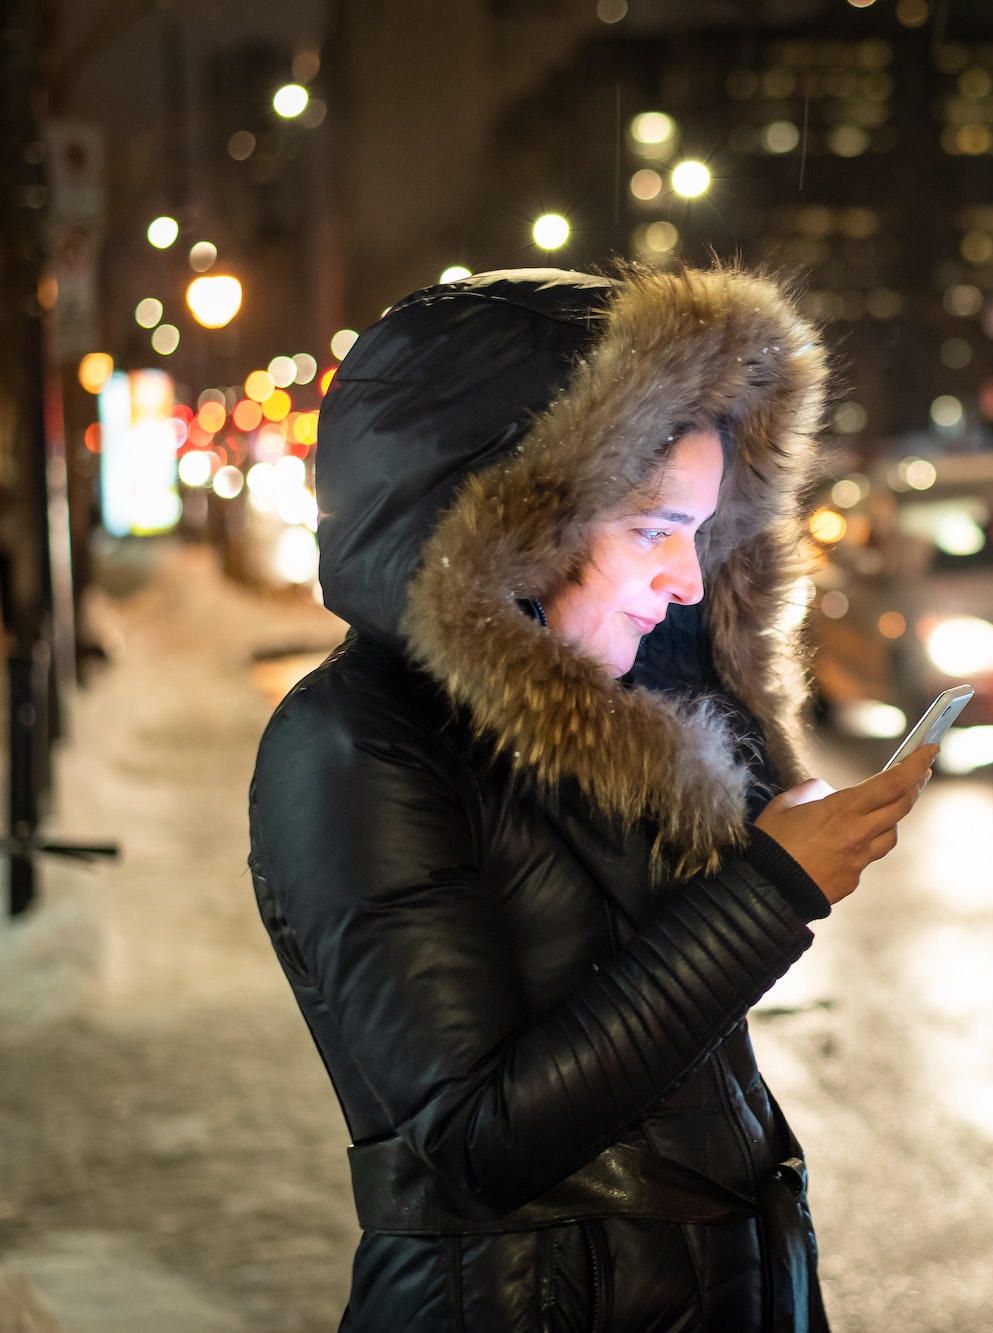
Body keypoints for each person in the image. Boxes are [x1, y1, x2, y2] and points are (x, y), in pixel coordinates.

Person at [249, 265, 933, 1332]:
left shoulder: (625, 719)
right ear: (511, 527)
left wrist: (736, 752)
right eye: (655, 529)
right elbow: (479, 1138)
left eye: (702, 535)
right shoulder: (350, 744)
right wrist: (767, 892)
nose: (690, 581)